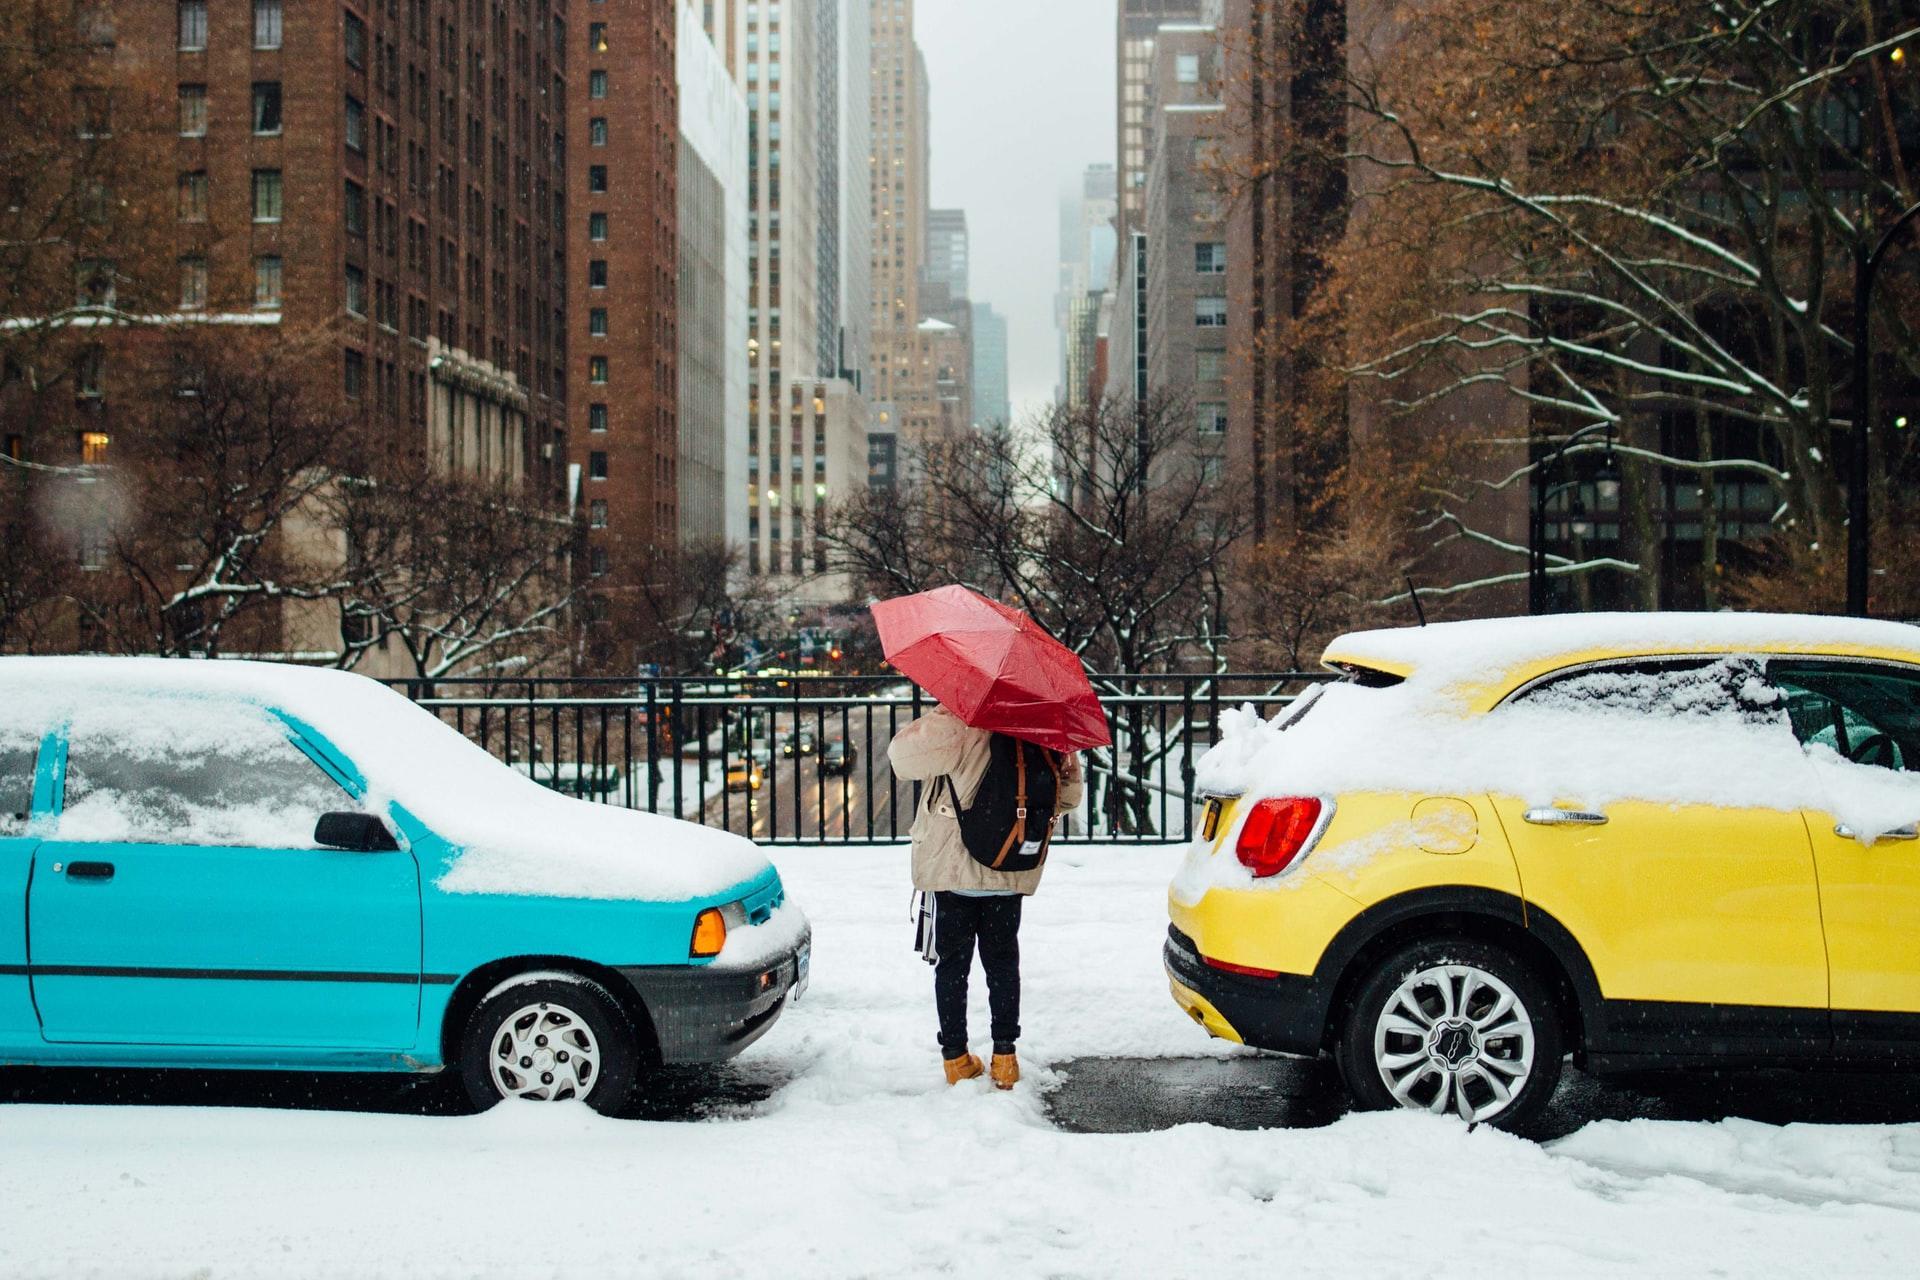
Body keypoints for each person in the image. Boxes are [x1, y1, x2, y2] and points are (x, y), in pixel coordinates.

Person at [888, 705, 1084, 1089]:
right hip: (1010, 868)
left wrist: (938, 714)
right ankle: (1005, 1057)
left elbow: (902, 758)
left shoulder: (961, 721)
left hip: (954, 869)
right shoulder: (1042, 722)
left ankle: (956, 1058)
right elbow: (1069, 796)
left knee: (951, 967)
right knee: (1003, 964)